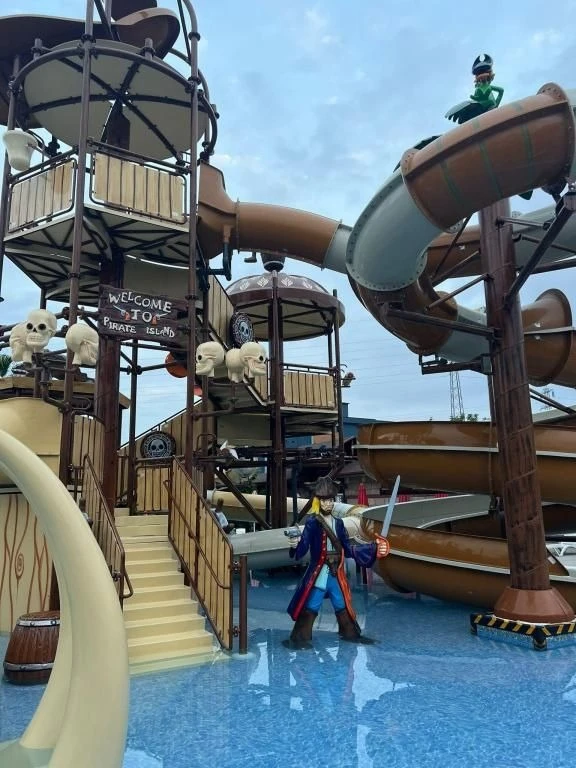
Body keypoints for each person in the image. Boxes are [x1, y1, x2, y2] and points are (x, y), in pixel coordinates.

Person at [284, 476, 389, 650]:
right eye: (324, 500)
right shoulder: (312, 523)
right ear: (318, 501)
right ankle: (299, 638)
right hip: (320, 572)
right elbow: (303, 548)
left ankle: (350, 634)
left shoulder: (339, 524)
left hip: (336, 572)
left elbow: (347, 548)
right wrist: (294, 545)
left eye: (331, 500)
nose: (328, 504)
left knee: (342, 604)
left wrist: (373, 547)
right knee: (312, 605)